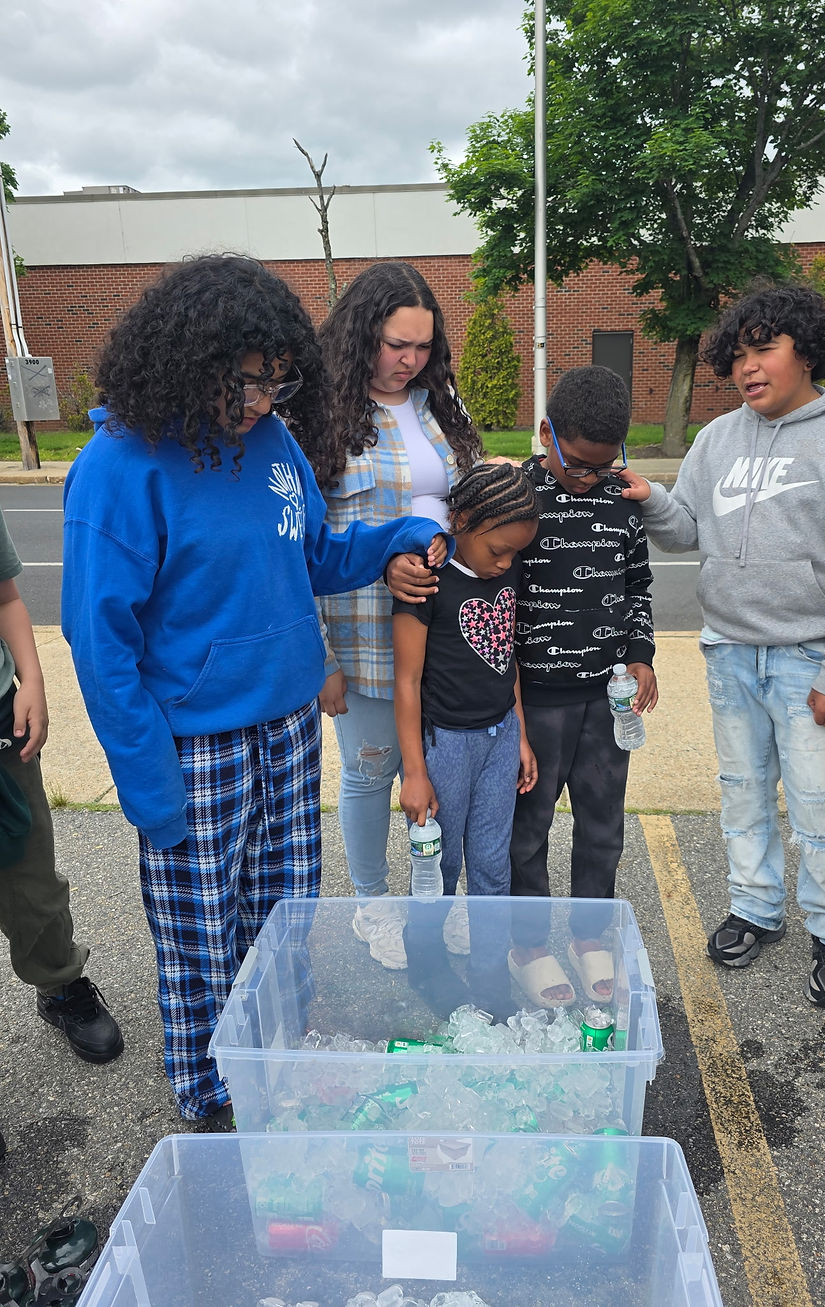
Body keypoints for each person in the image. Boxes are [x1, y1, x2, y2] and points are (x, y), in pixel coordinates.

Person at [60, 254, 449, 1128]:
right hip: (194, 745)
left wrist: (397, 533)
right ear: (188, 363)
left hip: (287, 728)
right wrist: (150, 790)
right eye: (245, 385)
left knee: (283, 921)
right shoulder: (119, 467)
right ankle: (212, 1097)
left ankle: (277, 1056)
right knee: (203, 938)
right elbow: (101, 649)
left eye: (279, 383)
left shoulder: (273, 442)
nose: (263, 404)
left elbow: (314, 556)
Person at [620, 281, 825, 1008]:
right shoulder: (718, 439)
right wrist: (650, 498)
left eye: (765, 348)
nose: (748, 367)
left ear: (806, 350)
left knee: (823, 806)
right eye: (738, 354)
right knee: (742, 794)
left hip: (811, 661)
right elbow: (689, 532)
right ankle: (755, 907)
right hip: (729, 651)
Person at [299, 261, 482, 971]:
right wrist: (322, 658)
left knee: (439, 766)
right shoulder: (318, 416)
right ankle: (374, 902)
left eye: (423, 348)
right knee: (372, 770)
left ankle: (431, 895)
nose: (409, 361)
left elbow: (465, 501)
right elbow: (299, 544)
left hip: (445, 625)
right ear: (359, 336)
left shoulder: (440, 405)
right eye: (395, 345)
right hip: (360, 630)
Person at [509, 365, 658, 1009]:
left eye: (605, 465)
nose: (590, 477)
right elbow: (492, 602)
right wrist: (508, 716)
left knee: (602, 824)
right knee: (527, 830)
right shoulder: (513, 498)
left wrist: (642, 654)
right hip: (536, 701)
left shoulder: (620, 500)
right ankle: (529, 944)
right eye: (576, 465)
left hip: (606, 698)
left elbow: (638, 585)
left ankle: (590, 934)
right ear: (547, 435)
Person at [392, 462, 539, 1014]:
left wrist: (520, 733)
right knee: (440, 865)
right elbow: (406, 682)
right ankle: (426, 964)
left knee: (491, 864)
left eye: (514, 555)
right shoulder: (424, 583)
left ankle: (489, 977)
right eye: (498, 549)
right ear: (464, 520)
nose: (506, 563)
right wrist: (415, 772)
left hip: (500, 737)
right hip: (445, 744)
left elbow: (509, 657)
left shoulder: (508, 570)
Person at [0, 511, 122, 1065]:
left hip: (3, 726)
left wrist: (32, 678)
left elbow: (6, 599)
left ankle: (59, 982)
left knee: (30, 879)